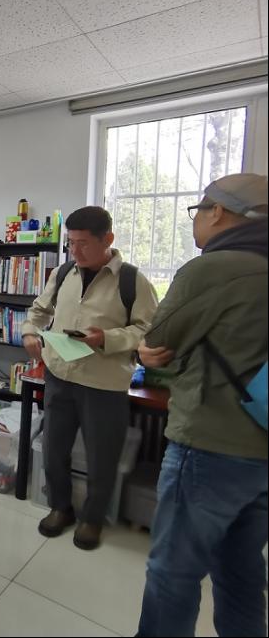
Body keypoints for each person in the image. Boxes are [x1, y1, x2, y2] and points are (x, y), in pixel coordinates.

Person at [136, 173, 268, 637]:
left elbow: (157, 341)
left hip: (211, 443)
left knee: (173, 572)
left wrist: (150, 352)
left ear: (219, 212)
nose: (196, 221)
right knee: (242, 572)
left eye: (198, 211)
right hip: (262, 449)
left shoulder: (213, 268)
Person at [21, 206, 158, 550]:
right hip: (60, 375)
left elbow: (147, 330)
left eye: (83, 243)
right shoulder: (63, 272)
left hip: (104, 384)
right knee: (53, 449)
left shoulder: (132, 280)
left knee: (102, 457)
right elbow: (39, 310)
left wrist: (106, 339)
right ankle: (60, 507)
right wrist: (29, 332)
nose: (75, 251)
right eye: (71, 243)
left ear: (107, 239)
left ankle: (93, 519)